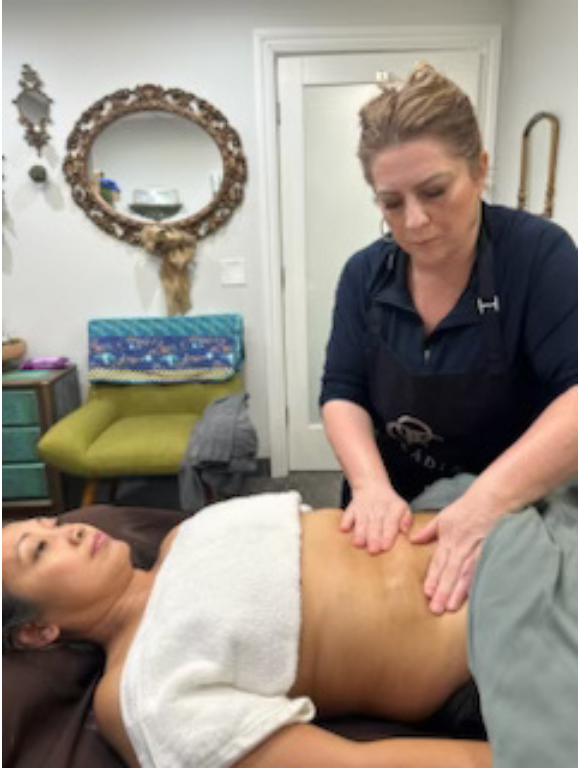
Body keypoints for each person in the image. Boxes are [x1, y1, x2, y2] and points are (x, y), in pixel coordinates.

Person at [3, 486, 577, 768]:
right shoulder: (140, 691)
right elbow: (348, 765)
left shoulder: (185, 535)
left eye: (50, 522)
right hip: (511, 627)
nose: (69, 530)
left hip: (500, 520)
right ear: (38, 632)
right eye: (39, 550)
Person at [320, 62, 578, 614]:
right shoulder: (364, 274)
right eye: (392, 202)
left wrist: (486, 503)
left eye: (434, 191)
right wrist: (368, 486)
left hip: (506, 499)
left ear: (480, 169)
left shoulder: (539, 255)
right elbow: (342, 391)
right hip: (391, 501)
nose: (414, 221)